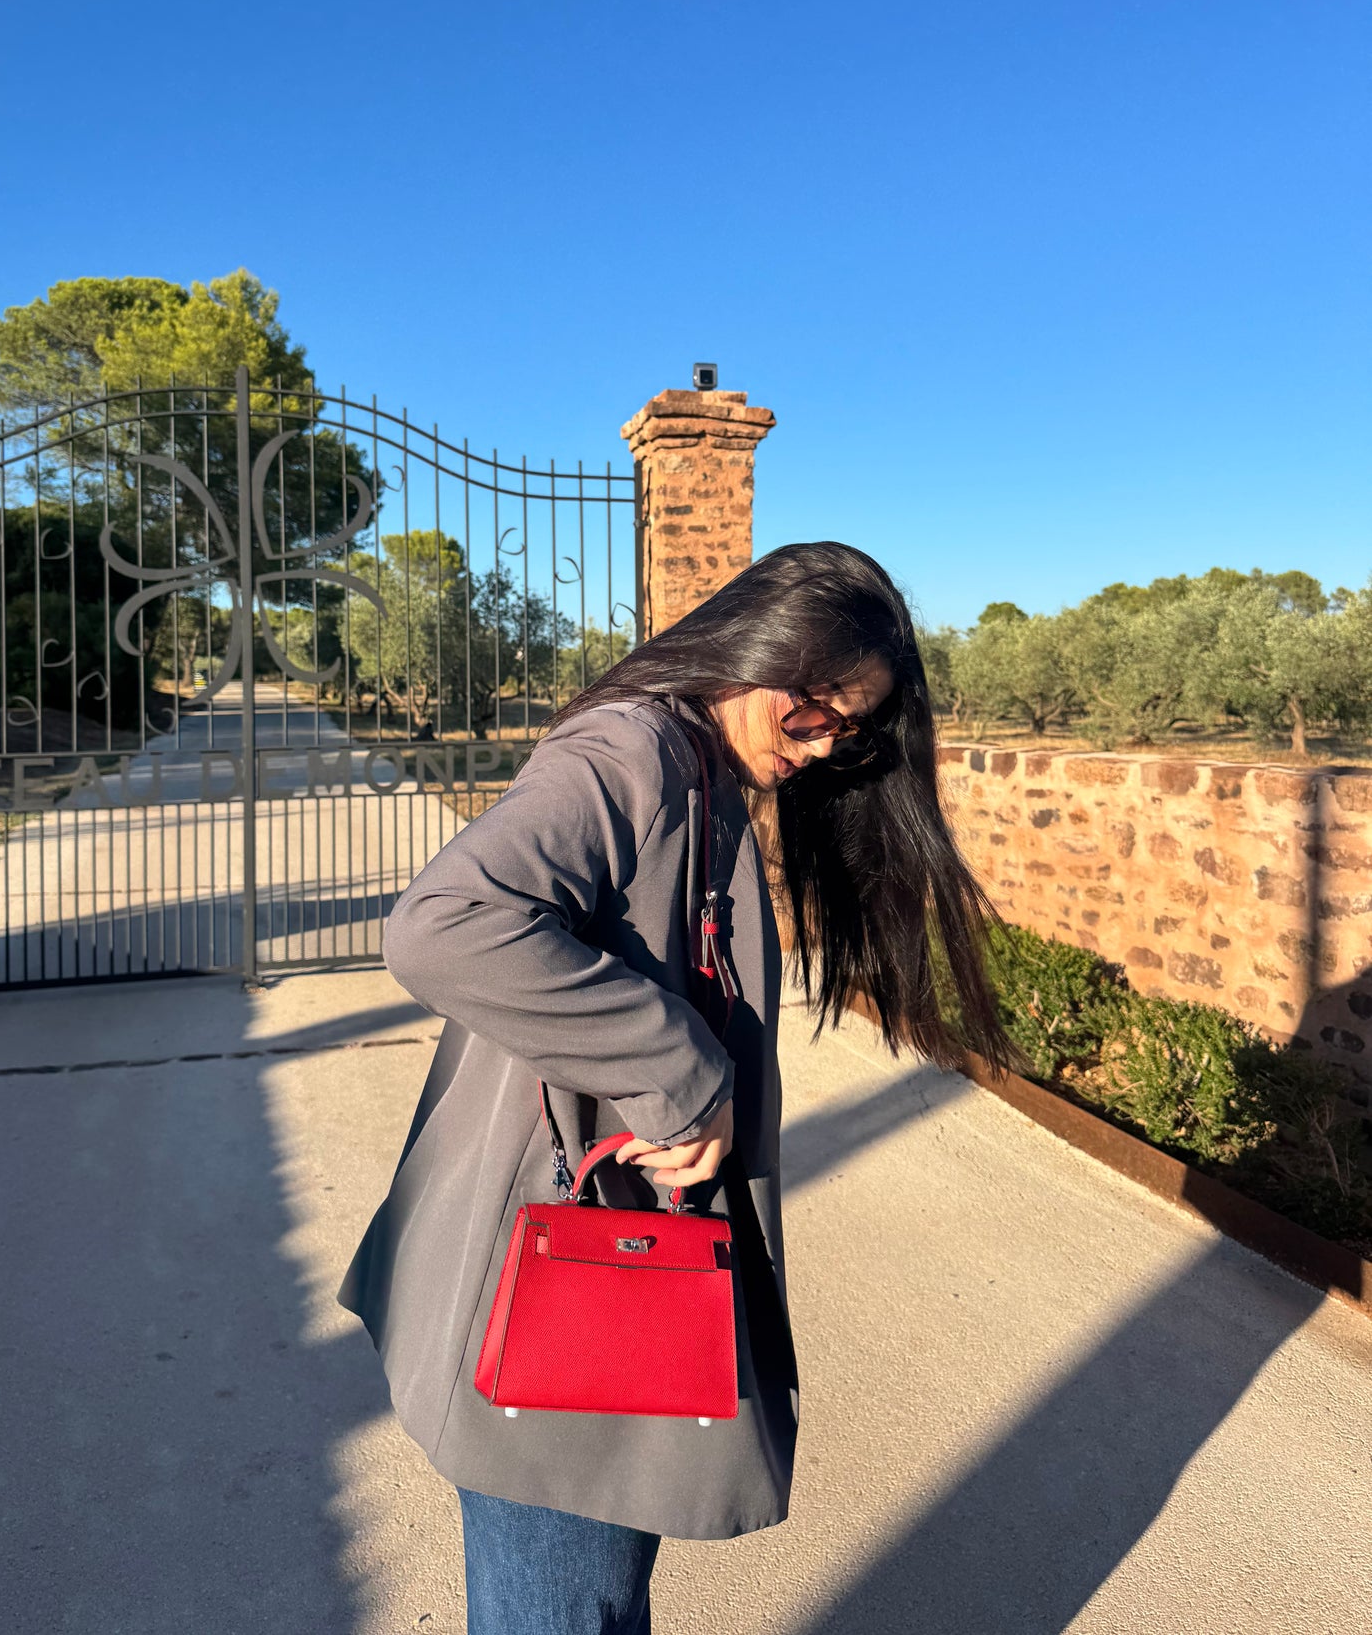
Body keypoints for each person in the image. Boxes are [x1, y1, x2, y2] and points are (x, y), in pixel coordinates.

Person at [337, 540, 1010, 1635]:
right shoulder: (633, 752)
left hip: (607, 1283)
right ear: (751, 651)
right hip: (564, 1301)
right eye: (812, 710)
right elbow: (443, 925)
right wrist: (679, 1074)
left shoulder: (700, 774)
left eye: (850, 726)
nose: (825, 742)